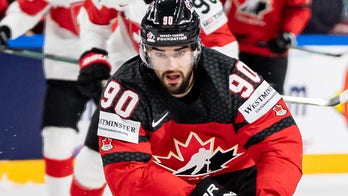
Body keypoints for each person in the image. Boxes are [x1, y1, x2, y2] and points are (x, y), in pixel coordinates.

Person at [96, 0, 303, 195]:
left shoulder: (232, 78)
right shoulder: (124, 91)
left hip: (241, 179)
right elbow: (127, 172)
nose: (171, 66)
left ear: (195, 48)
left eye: (179, 52)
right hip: (170, 186)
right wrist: (198, 193)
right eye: (159, 53)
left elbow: (279, 141)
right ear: (145, 51)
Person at [70, 0, 240, 194]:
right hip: (130, 82)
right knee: (91, 163)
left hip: (182, 85)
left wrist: (204, 87)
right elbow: (93, 20)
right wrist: (94, 55)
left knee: (185, 168)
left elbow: (223, 44)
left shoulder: (199, 3)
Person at [0, 1, 90, 195]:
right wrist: (6, 29)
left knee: (119, 143)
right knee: (56, 142)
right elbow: (27, 10)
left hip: (112, 75)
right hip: (65, 75)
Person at [222, 0, 311, 94]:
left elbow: (299, 9)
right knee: (227, 97)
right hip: (234, 48)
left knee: (271, 100)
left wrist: (288, 32)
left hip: (271, 51)